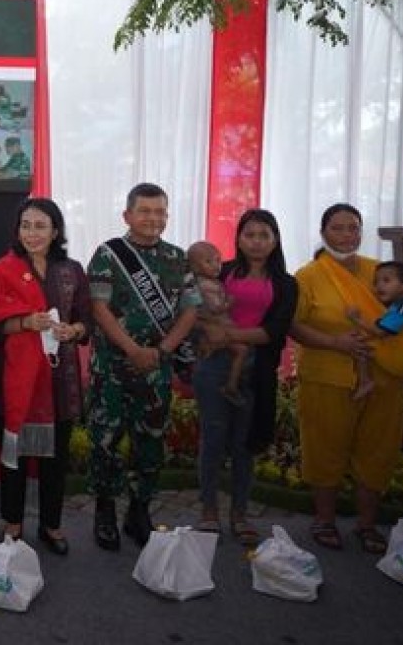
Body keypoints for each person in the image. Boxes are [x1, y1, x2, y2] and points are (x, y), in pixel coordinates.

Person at [292, 204, 403, 554]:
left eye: (354, 228)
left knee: (376, 453)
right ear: (323, 232)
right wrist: (336, 342)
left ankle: (367, 525)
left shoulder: (381, 271)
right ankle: (325, 520)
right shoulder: (309, 275)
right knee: (325, 449)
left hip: (384, 379)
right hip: (327, 378)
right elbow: (294, 325)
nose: (347, 236)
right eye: (338, 228)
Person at [86, 182, 199, 551]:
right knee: (105, 441)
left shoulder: (177, 258)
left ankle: (139, 510)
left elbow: (190, 309)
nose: (153, 218)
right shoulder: (108, 254)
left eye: (160, 212)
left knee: (149, 442)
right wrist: (132, 349)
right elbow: (99, 309)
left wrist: (163, 350)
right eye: (145, 211)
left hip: (156, 368)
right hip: (113, 368)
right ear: (128, 215)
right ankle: (104, 512)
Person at [0, 197, 91, 556]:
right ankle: (12, 522)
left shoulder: (72, 269)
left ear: (55, 231)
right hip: (15, 380)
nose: (32, 233)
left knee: (55, 459)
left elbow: (86, 319)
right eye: (26, 225)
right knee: (14, 456)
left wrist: (73, 330)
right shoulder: (2, 269)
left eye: (41, 226)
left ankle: (51, 525)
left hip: (60, 380)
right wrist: (25, 322)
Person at [189, 209, 297, 547]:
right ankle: (208, 510)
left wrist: (232, 338)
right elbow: (193, 310)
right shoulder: (220, 272)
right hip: (214, 365)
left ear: (275, 240)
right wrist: (210, 332)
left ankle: (239, 513)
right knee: (213, 438)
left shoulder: (286, 283)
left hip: (257, 369)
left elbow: (276, 331)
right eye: (249, 234)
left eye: (264, 235)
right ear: (238, 238)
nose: (256, 241)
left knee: (243, 444)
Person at [345, 261, 403, 401]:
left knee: (359, 344)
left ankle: (365, 381)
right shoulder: (400, 307)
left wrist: (356, 319)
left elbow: (380, 332)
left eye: (386, 280)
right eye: (376, 282)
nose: (379, 286)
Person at [187, 241, 249, 404]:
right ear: (194, 266)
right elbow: (215, 308)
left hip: (218, 327)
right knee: (242, 350)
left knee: (239, 349)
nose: (216, 266)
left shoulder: (212, 282)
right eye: (209, 261)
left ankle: (230, 382)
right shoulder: (205, 285)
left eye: (218, 260)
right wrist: (229, 302)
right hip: (217, 326)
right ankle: (231, 385)